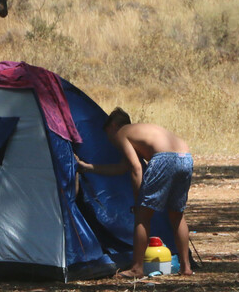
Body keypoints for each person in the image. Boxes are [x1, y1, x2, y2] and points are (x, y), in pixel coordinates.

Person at [75, 107, 194, 278]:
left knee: (143, 216)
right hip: (185, 157)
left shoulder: (122, 132)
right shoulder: (140, 131)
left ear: (114, 125)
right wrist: (88, 168)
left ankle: (136, 268)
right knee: (177, 215)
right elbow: (122, 167)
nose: (109, 139)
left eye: (108, 133)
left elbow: (136, 169)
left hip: (163, 158)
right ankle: (186, 268)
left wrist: (139, 201)